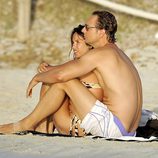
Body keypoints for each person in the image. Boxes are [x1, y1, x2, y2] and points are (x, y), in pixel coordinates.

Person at [0, 10, 142, 138]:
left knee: (64, 80)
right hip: (129, 129)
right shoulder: (117, 53)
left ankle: (25, 124)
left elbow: (62, 75)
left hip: (114, 127)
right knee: (58, 78)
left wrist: (37, 77)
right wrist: (49, 70)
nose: (84, 30)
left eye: (88, 27)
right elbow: (67, 69)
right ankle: (39, 126)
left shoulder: (102, 53)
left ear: (102, 32)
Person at [33, 24, 103, 136]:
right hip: (83, 126)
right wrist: (48, 68)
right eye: (73, 43)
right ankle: (45, 127)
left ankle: (43, 127)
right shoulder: (97, 63)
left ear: (90, 45)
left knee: (51, 79)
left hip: (75, 126)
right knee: (53, 77)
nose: (74, 47)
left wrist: (45, 70)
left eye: (78, 42)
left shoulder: (85, 65)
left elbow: (58, 73)